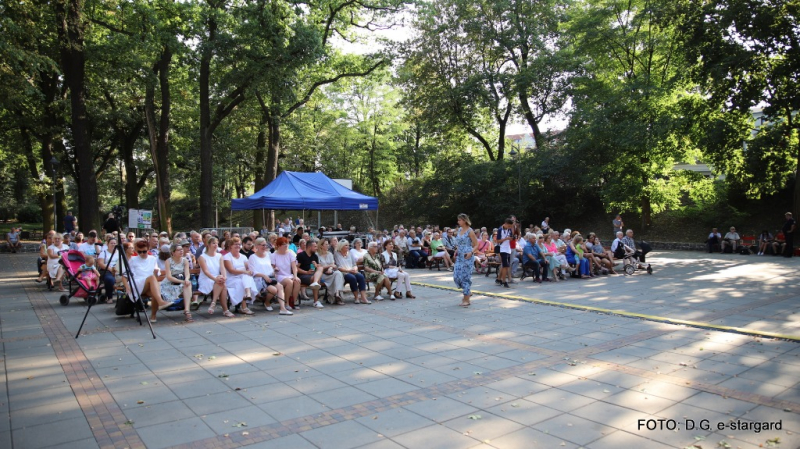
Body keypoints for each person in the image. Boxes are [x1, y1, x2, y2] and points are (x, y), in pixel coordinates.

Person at [121, 240, 173, 322]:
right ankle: (161, 302)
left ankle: (153, 316)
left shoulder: (152, 259)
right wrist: (127, 287)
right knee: (152, 279)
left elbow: (156, 275)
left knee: (155, 292)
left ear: (148, 249)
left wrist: (156, 273)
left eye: (144, 251)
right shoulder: (133, 260)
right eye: (139, 252)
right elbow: (124, 276)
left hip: (149, 283)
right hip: (137, 284)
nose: (142, 253)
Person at [249, 238, 291, 315]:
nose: (265, 247)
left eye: (266, 245)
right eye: (263, 245)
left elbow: (270, 267)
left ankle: (283, 308)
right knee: (273, 290)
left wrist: (274, 270)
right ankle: (267, 302)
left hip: (270, 278)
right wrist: (263, 276)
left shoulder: (268, 255)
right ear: (257, 246)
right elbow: (252, 272)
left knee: (280, 287)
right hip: (259, 279)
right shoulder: (252, 257)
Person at [197, 237, 234, 317]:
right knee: (222, 284)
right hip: (206, 279)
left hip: (217, 278)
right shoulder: (202, 257)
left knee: (222, 283)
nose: (216, 245)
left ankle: (214, 304)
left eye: (217, 243)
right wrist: (215, 279)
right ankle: (224, 309)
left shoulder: (219, 256)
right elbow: (206, 271)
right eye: (213, 243)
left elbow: (222, 268)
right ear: (209, 245)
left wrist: (224, 277)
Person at [223, 237, 257, 315]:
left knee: (246, 277)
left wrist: (250, 270)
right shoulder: (227, 257)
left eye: (239, 244)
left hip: (242, 277)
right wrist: (244, 271)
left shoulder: (243, 256)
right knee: (242, 281)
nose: (238, 246)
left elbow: (248, 267)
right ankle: (244, 306)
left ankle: (247, 296)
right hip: (231, 278)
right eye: (236, 244)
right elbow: (231, 270)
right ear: (230, 246)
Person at [160, 244, 194, 322]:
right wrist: (182, 281)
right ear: (173, 252)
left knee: (188, 285)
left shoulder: (185, 260)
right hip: (170, 282)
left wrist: (186, 279)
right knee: (185, 284)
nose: (181, 251)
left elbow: (187, 273)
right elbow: (169, 276)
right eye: (178, 250)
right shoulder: (168, 261)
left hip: (181, 280)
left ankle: (187, 310)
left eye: (181, 249)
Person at [453, 213, 479, 307]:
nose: (458, 222)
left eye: (459, 220)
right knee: (456, 276)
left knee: (465, 277)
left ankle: (466, 299)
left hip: (467, 256)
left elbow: (476, 244)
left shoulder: (470, 231)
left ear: (464, 220)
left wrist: (471, 252)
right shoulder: (460, 229)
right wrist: (457, 249)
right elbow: (459, 243)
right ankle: (467, 290)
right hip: (459, 255)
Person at [272, 237, 302, 310]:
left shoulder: (290, 253)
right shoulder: (274, 255)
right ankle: (286, 303)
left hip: (288, 274)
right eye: (284, 244)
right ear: (278, 246)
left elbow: (294, 267)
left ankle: (293, 302)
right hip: (279, 275)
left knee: (297, 281)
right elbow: (272, 268)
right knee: (289, 282)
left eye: (287, 244)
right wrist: (274, 269)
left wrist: (295, 276)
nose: (286, 246)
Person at [295, 240, 324, 308]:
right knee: (317, 280)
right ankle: (316, 301)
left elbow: (319, 268)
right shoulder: (301, 255)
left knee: (320, 268)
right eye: (315, 246)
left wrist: (316, 265)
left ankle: (315, 282)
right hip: (303, 275)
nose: (316, 248)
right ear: (309, 247)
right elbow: (296, 268)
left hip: (313, 275)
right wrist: (306, 272)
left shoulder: (315, 256)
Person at [316, 238, 345, 305]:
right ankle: (336, 297)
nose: (328, 245)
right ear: (321, 246)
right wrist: (329, 266)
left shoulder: (330, 254)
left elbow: (333, 265)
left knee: (338, 273)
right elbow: (319, 267)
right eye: (326, 244)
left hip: (330, 273)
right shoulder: (317, 255)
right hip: (322, 274)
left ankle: (337, 293)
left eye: (328, 244)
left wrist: (330, 268)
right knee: (337, 277)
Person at [97, 237, 120, 303]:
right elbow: (100, 263)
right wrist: (110, 269)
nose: (113, 244)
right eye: (111, 243)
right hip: (106, 270)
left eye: (114, 243)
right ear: (108, 244)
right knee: (109, 279)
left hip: (118, 270)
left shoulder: (119, 253)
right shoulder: (103, 252)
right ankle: (109, 297)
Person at [496, 218, 514, 288]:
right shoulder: (500, 230)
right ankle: (504, 281)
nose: (510, 227)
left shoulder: (509, 229)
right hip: (502, 249)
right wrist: (506, 239)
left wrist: (511, 238)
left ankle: (499, 279)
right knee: (505, 265)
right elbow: (498, 241)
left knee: (505, 265)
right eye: (509, 226)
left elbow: (511, 237)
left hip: (508, 249)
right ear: (506, 224)